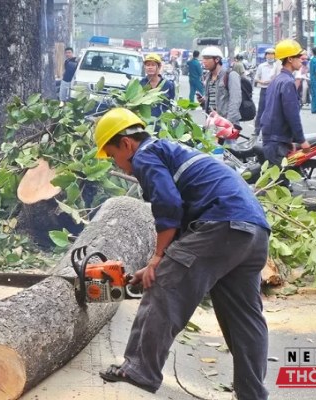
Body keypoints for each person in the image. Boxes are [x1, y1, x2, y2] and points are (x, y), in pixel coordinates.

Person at [94, 107, 271, 400]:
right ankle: (252, 394)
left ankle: (139, 369)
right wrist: (161, 257)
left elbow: (169, 206)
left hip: (221, 225)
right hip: (253, 231)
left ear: (126, 144)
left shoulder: (146, 156)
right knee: (245, 317)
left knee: (163, 283)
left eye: (113, 156)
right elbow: (184, 225)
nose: (120, 165)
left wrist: (155, 261)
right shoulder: (170, 151)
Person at [260, 39, 310, 184]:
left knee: (274, 182)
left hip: (273, 137)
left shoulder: (277, 80)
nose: (301, 60)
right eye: (298, 57)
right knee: (280, 184)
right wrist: (301, 140)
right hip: (276, 140)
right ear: (289, 59)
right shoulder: (288, 82)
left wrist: (290, 140)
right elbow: (292, 115)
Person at [198, 46, 242, 126]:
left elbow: (235, 101)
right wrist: (203, 101)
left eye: (207, 58)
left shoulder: (231, 75)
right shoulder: (208, 77)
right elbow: (213, 100)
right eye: (203, 58)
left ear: (217, 60)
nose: (204, 61)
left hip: (226, 124)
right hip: (211, 122)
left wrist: (228, 123)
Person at [140, 53, 175, 119]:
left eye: (153, 65)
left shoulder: (168, 85)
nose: (150, 67)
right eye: (148, 65)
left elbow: (171, 105)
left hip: (161, 123)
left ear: (159, 67)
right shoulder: (140, 84)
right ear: (145, 67)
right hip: (144, 122)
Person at [253, 48, 277, 135]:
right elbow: (256, 78)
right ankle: (257, 129)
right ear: (265, 55)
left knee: (273, 110)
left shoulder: (277, 66)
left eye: (272, 54)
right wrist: (261, 82)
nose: (270, 56)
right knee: (261, 110)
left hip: (274, 90)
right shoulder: (261, 66)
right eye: (268, 54)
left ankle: (272, 129)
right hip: (264, 89)